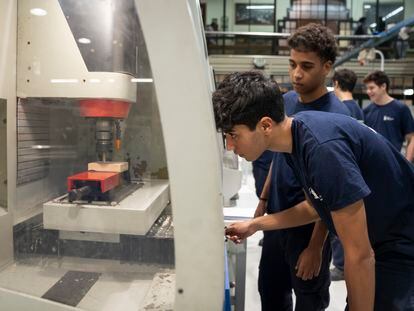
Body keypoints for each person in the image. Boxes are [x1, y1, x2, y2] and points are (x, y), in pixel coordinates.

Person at [213, 70, 414, 310]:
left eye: (234, 135)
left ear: (265, 125)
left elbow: (360, 255)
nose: (230, 145)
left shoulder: (322, 150)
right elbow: (314, 207)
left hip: (399, 246)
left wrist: (315, 246)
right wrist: (255, 225)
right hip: (380, 243)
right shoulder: (294, 139)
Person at [255, 23, 352, 311]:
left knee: (308, 299)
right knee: (270, 291)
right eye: (293, 64)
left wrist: (315, 246)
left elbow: (332, 193)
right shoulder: (284, 102)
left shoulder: (337, 116)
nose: (297, 73)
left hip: (309, 226)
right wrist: (263, 198)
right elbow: (278, 154)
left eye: (307, 66)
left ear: (327, 67)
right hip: (276, 218)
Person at [329, 68, 364, 281]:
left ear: (336, 83)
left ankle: (341, 266)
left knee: (338, 226)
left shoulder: (337, 109)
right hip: (356, 171)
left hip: (341, 173)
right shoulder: (359, 110)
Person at [363, 70, 414, 162]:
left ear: (383, 86)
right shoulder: (367, 111)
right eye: (367, 88)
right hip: (371, 163)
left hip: (394, 163)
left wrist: (407, 163)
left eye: (371, 88)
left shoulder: (400, 109)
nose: (368, 91)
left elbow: (411, 138)